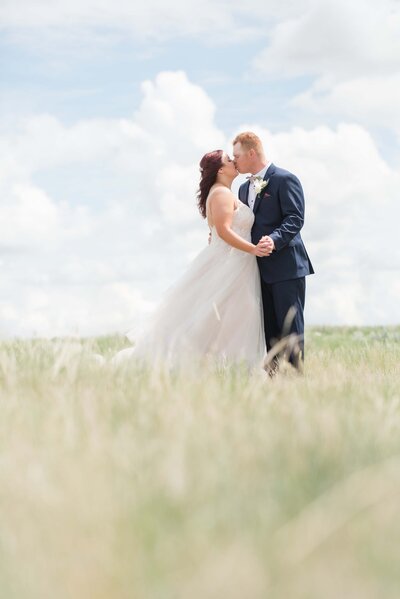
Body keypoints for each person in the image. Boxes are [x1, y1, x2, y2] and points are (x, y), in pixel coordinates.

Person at [113, 150, 270, 369]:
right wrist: (253, 249)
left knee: (230, 315)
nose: (234, 162)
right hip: (230, 263)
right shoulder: (221, 194)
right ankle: (234, 366)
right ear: (220, 170)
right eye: (228, 160)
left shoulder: (222, 192)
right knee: (231, 314)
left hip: (235, 261)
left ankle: (231, 366)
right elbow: (224, 231)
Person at [233, 132, 314, 371]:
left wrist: (274, 239)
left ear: (251, 153)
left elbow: (295, 218)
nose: (234, 161)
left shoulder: (285, 179)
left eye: (237, 156)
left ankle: (296, 384)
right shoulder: (241, 189)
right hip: (257, 270)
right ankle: (275, 385)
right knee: (268, 331)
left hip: (287, 267)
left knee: (291, 331)